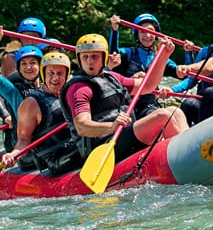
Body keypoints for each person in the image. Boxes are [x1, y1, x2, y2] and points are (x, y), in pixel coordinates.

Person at [61, 33, 188, 164]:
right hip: (103, 144)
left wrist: (163, 57)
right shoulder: (78, 89)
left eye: (95, 56)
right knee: (162, 116)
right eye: (85, 57)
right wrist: (111, 126)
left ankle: (191, 150)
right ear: (79, 59)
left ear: (104, 57)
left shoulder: (113, 78)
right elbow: (82, 127)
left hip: (124, 133)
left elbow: (148, 85)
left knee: (174, 111)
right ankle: (186, 159)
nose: (90, 61)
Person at [0, 51, 81, 174]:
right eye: (51, 73)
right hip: (54, 158)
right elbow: (23, 140)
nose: (55, 78)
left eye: (60, 74)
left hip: (74, 146)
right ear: (43, 74)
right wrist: (14, 154)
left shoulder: (70, 94)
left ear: (67, 75)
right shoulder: (31, 104)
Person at [107, 13, 184, 117]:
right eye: (142, 32)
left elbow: (185, 75)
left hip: (149, 105)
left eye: (151, 32)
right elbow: (113, 54)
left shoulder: (162, 58)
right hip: (127, 104)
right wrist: (115, 30)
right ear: (137, 34)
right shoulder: (128, 53)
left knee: (163, 115)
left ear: (156, 34)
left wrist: (173, 90)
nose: (147, 36)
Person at [0, 27, 42, 152]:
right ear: (19, 68)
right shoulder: (14, 92)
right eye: (24, 63)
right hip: (27, 147)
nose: (28, 67)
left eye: (33, 62)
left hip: (46, 141)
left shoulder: (48, 87)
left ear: (40, 66)